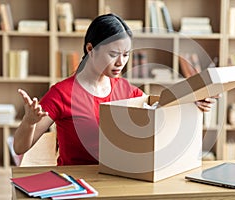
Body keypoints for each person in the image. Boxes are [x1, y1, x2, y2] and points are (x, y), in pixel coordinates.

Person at [13, 13, 217, 166]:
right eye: (113, 54)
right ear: (90, 49)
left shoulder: (125, 89)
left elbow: (159, 108)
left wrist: (193, 101)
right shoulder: (61, 93)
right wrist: (29, 121)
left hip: (119, 177)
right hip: (76, 183)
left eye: (126, 54)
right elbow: (20, 147)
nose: (121, 62)